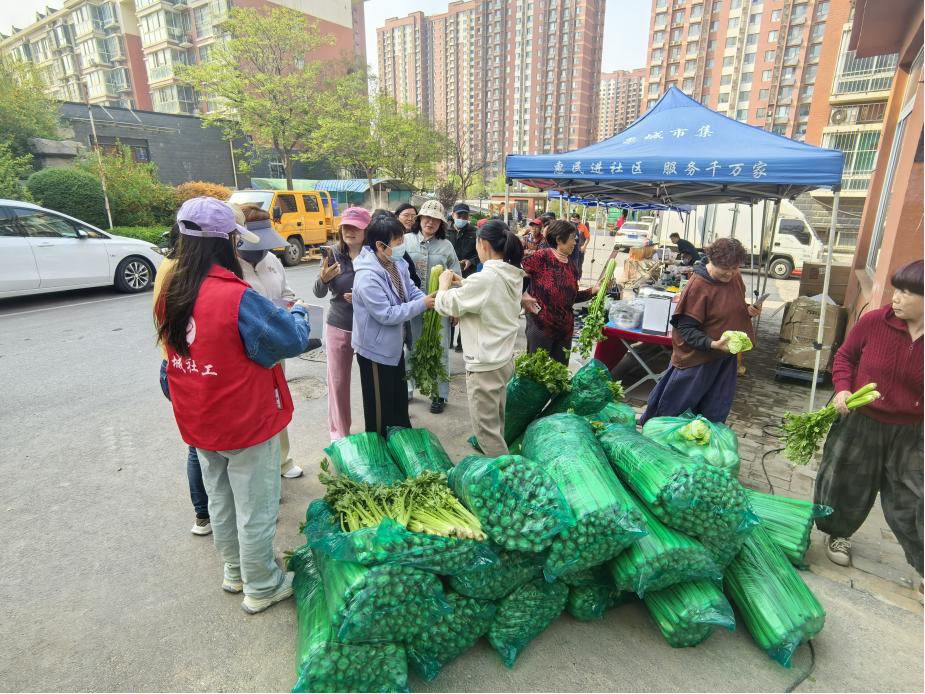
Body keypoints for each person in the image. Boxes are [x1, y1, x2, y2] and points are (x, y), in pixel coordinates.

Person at [155, 197, 311, 614]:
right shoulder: (235, 295)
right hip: (244, 418)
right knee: (255, 505)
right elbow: (289, 340)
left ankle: (235, 571)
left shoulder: (171, 290)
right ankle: (261, 585)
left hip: (199, 417)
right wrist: (299, 314)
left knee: (220, 499)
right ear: (225, 241)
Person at [814, 260, 923, 603]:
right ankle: (837, 534)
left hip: (911, 431)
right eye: (896, 289)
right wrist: (843, 389)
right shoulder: (875, 321)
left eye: (907, 292)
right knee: (847, 481)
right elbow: (845, 357)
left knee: (913, 498)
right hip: (861, 421)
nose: (896, 298)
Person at [640, 238, 760, 425]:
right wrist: (712, 344)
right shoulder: (698, 286)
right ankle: (659, 437)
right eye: (725, 268)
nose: (730, 273)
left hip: (724, 357)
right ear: (712, 260)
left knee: (714, 411)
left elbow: (729, 305)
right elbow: (686, 329)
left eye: (735, 268)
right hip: (696, 360)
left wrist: (747, 310)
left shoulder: (734, 277)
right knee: (676, 412)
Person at [435, 220, 525, 456]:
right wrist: (463, 283)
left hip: (485, 366)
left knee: (487, 434)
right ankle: (503, 465)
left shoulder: (485, 279)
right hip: (502, 361)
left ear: (483, 244)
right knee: (496, 423)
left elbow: (446, 305)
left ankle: (508, 474)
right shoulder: (511, 273)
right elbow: (488, 294)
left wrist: (444, 285)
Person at [153, 222, 215, 536]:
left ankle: (204, 516)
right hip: (191, 372)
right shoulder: (186, 274)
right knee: (203, 448)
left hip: (173, 365)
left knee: (197, 445)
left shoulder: (169, 266)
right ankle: (207, 513)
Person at [236, 204, 305, 479]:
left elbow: (286, 292)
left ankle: (282, 461)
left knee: (277, 401)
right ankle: (260, 471)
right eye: (257, 246)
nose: (262, 251)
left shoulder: (272, 260)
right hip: (245, 353)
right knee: (253, 409)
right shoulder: (229, 266)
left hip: (275, 347)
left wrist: (293, 306)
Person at [352, 215, 434, 435]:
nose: (402, 246)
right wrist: (423, 305)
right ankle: (380, 444)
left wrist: (426, 299)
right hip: (375, 351)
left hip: (393, 346)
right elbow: (386, 315)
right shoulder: (367, 277)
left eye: (402, 240)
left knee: (397, 398)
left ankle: (401, 437)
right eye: (398, 242)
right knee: (379, 407)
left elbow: (410, 289)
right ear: (380, 246)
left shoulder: (396, 263)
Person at [313, 207, 370, 441]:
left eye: (355, 227)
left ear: (366, 230)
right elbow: (318, 292)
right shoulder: (332, 255)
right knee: (337, 382)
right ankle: (339, 433)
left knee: (371, 381)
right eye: (346, 226)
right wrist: (323, 279)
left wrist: (363, 297)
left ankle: (375, 429)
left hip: (369, 327)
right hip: (339, 325)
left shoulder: (373, 254)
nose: (349, 231)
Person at [404, 199, 462, 413]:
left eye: (435, 220)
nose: (430, 222)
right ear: (419, 219)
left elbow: (456, 277)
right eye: (427, 218)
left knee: (440, 348)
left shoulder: (446, 246)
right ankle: (407, 389)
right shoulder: (406, 241)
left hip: (440, 307)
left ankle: (440, 394)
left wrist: (455, 309)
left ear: (441, 224)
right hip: (413, 305)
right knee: (411, 348)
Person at [521, 220, 606, 365]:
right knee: (536, 370)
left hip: (564, 330)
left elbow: (571, 297)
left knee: (559, 372)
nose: (576, 243)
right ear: (559, 240)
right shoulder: (541, 257)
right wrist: (523, 296)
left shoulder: (571, 266)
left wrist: (594, 290)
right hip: (541, 325)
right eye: (573, 238)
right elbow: (513, 274)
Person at [391, 203, 422, 287]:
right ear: (397, 217)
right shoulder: (390, 237)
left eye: (413, 216)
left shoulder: (421, 237)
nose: (410, 219)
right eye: (406, 215)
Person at [570, 212, 591, 280]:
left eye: (575, 220)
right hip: (570, 249)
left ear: (579, 220)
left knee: (579, 265)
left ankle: (578, 279)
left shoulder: (583, 227)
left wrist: (584, 246)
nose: (573, 221)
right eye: (572, 219)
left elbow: (588, 238)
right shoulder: (569, 226)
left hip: (580, 249)